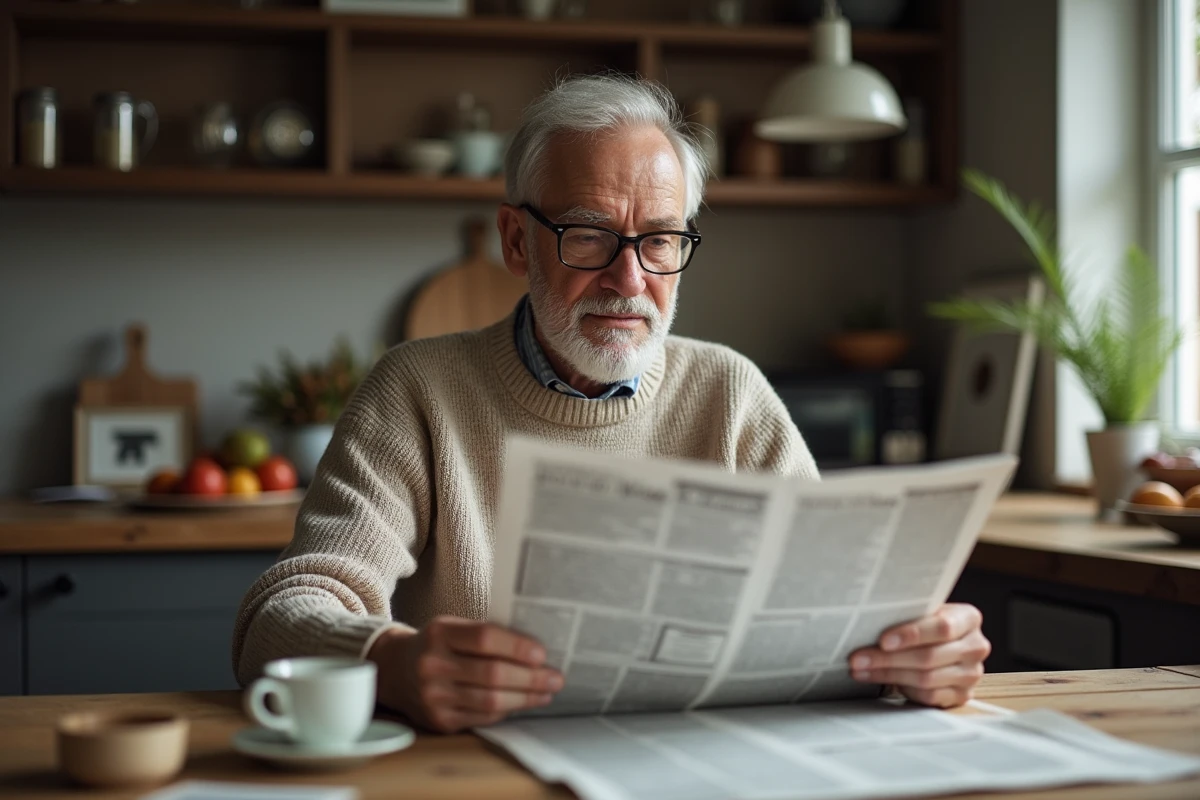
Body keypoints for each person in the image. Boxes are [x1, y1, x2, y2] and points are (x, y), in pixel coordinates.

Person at [232, 74, 990, 733]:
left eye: (659, 240)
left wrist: (916, 655)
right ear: (517, 240)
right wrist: (389, 662)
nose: (630, 280)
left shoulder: (731, 396)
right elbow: (280, 615)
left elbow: (834, 618)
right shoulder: (415, 390)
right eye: (590, 236)